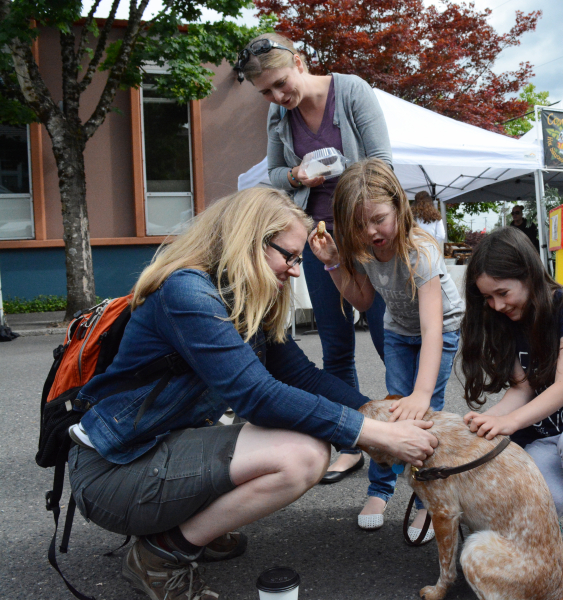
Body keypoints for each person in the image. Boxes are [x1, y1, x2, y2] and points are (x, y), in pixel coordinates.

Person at [66, 188, 438, 600]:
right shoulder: (187, 292)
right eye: (291, 256)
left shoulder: (241, 296)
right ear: (252, 241)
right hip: (114, 470)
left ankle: (192, 526)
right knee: (303, 456)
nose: (296, 270)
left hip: (159, 448)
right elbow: (256, 396)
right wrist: (373, 434)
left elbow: (302, 376)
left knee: (305, 438)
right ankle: (161, 553)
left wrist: (380, 414)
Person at [237, 32, 392, 482]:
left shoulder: (352, 90)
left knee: (389, 342)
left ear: (300, 62)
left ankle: (407, 433)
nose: (277, 97)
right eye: (265, 92)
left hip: (364, 235)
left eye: (280, 84)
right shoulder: (278, 115)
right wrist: (298, 174)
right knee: (335, 344)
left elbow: (381, 163)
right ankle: (354, 442)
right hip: (319, 237)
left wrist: (346, 179)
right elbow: (274, 175)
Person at [309, 158, 464, 541]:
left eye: (379, 218)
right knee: (393, 410)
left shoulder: (420, 252)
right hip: (397, 329)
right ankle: (380, 490)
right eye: (359, 225)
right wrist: (332, 265)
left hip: (439, 330)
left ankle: (430, 500)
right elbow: (362, 301)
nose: (371, 231)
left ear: (398, 205)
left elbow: (432, 328)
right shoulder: (364, 250)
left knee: (426, 413)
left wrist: (422, 393)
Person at [458, 227, 563, 568]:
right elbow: (522, 388)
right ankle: (557, 515)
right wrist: (490, 421)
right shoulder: (504, 320)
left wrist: (508, 422)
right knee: (545, 499)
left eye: (502, 293)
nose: (497, 305)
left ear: (528, 273)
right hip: (540, 439)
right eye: (488, 298)